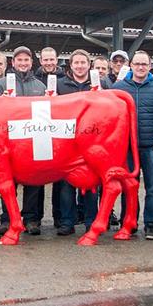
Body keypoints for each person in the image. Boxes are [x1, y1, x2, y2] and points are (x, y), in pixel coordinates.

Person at [114, 50, 153, 240]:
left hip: (151, 147)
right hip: (127, 148)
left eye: (144, 64)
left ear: (150, 66)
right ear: (130, 66)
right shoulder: (119, 88)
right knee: (128, 187)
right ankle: (128, 223)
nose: (140, 67)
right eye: (137, 64)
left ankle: (151, 225)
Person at [0, 46, 46, 235]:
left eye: (26, 60)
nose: (23, 63)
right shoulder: (1, 84)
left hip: (32, 142)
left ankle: (31, 219)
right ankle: (7, 218)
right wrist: (1, 101)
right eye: (19, 60)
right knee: (8, 182)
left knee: (33, 182)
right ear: (12, 63)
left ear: (31, 63)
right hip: (8, 142)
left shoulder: (40, 86)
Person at [55, 49, 107, 236]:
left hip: (91, 140)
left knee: (91, 184)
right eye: (76, 63)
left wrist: (101, 95)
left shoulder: (100, 84)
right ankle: (67, 222)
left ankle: (90, 221)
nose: (79, 66)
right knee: (66, 185)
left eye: (83, 63)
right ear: (71, 65)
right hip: (67, 142)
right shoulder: (60, 85)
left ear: (89, 65)